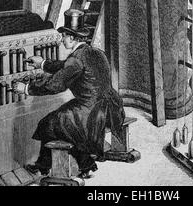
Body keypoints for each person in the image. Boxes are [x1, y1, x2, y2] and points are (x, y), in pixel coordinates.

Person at [13, 9, 125, 178]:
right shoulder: (95, 53)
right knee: (61, 122)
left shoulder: (76, 59)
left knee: (48, 124)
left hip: (90, 112)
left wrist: (27, 89)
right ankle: (84, 165)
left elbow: (56, 84)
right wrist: (42, 63)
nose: (61, 40)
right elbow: (65, 67)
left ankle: (47, 167)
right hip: (111, 107)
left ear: (72, 38)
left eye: (63, 36)